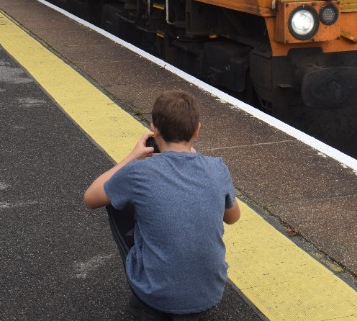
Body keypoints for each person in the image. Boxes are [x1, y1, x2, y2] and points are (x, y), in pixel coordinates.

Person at [84, 90, 240, 320]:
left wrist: (132, 157)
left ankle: (148, 282)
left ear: (154, 130)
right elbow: (233, 217)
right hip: (209, 294)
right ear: (197, 130)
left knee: (116, 201)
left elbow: (90, 198)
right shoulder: (217, 168)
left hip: (155, 299)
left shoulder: (138, 172)